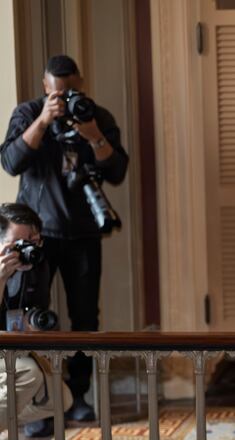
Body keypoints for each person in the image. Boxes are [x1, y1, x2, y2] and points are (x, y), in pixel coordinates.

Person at [0, 54, 128, 422]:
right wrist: (44, 119)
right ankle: (35, 404)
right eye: (59, 91)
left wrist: (94, 136)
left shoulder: (95, 116)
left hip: (83, 233)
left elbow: (117, 170)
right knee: (28, 313)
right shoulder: (28, 113)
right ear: (45, 88)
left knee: (85, 317)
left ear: (80, 81)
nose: (67, 96)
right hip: (37, 236)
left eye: (72, 89)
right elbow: (11, 162)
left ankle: (80, 395)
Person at [0, 203, 73, 436]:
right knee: (28, 373)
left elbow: (37, 310)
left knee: (60, 399)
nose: (26, 250)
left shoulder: (36, 265)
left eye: (33, 242)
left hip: (14, 349)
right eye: (18, 244)